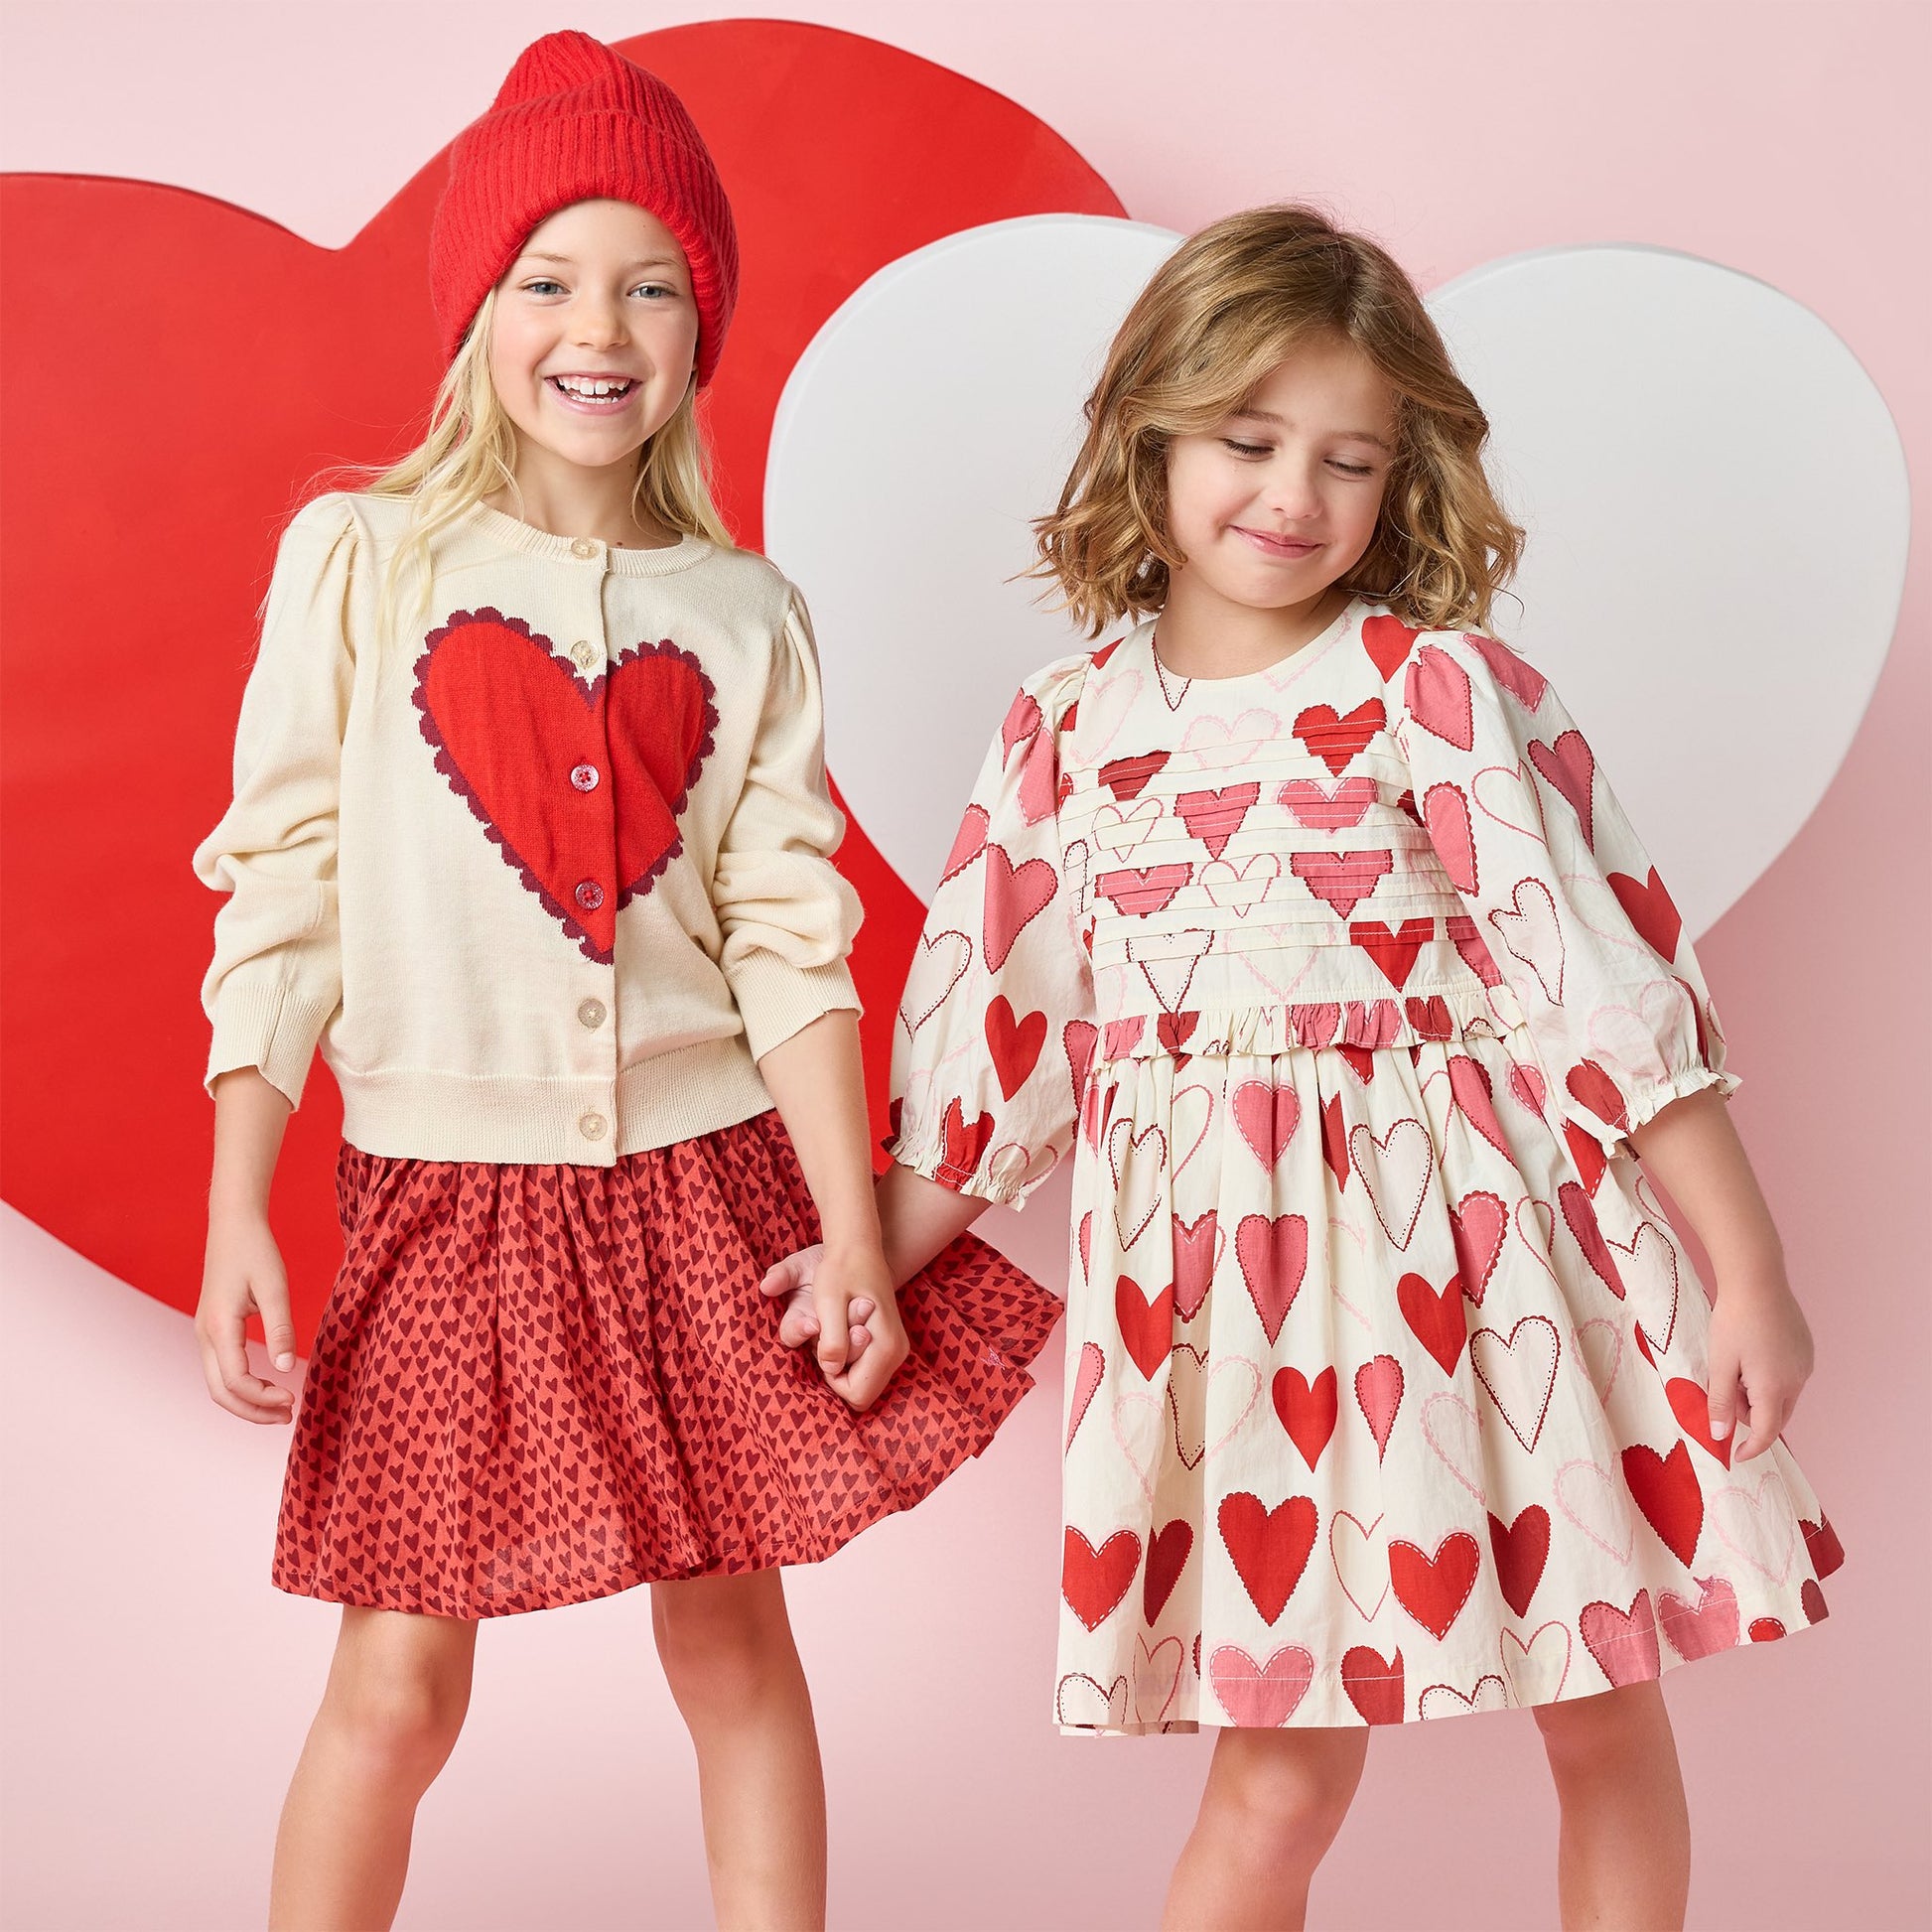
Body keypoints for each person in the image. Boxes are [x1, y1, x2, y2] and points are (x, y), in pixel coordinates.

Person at [763, 205, 1842, 1931]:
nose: (1291, 496)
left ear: (1402, 480)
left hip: (1486, 1277)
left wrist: (1747, 1266)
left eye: (1349, 461)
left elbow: (1593, 977)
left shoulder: (1435, 689)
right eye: (1249, 443)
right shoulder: (1066, 727)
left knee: (1599, 1700)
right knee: (1272, 1774)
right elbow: (995, 1042)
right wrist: (868, 1256)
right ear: (1153, 431)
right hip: (1233, 1314)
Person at [192, 32, 1056, 1929]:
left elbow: (792, 939)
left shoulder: (742, 612)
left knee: (733, 1642)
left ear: (700, 328)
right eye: (547, 277)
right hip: (446, 1196)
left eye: (652, 283)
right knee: (399, 1682)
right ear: (475, 313)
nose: (601, 324)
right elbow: (286, 886)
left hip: (706, 1185)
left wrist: (852, 1232)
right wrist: (239, 1197)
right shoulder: (357, 561)